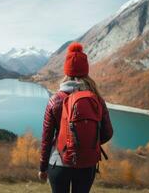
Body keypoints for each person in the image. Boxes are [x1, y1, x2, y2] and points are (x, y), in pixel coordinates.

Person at [38, 42, 113, 193]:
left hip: (58, 164)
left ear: (66, 72)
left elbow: (46, 138)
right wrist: (87, 144)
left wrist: (43, 167)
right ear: (86, 72)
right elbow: (107, 133)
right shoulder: (96, 99)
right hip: (86, 165)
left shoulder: (55, 99)